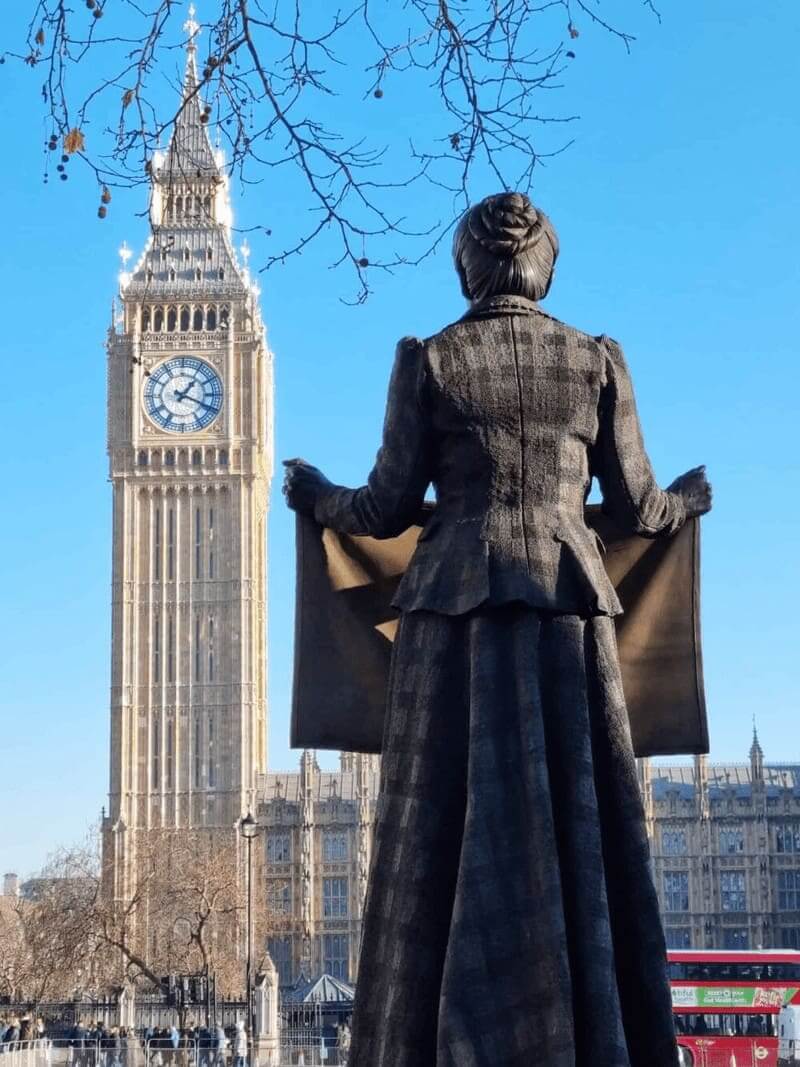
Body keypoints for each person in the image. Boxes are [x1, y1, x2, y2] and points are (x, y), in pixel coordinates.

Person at [283, 191, 712, 1067]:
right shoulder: (594, 361)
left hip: (451, 622)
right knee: (578, 828)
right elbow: (640, 504)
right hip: (565, 614)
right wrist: (691, 499)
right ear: (544, 264)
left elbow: (383, 506)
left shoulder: (431, 358)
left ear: (466, 266)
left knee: (437, 827)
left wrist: (314, 494)